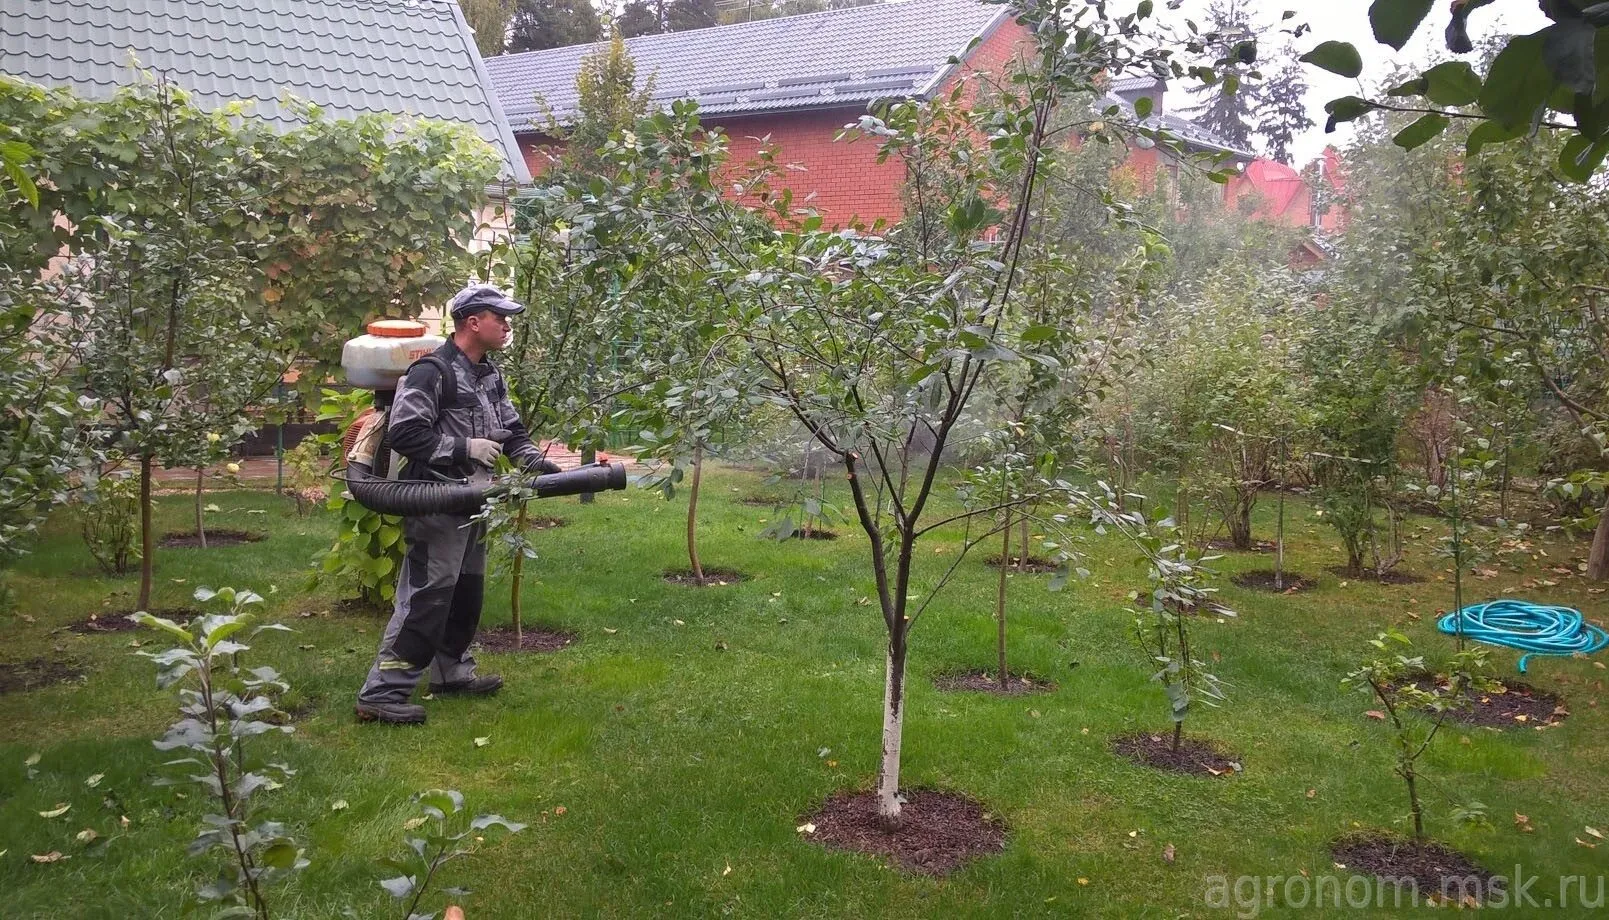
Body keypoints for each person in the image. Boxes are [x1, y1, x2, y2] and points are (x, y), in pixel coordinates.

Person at [356, 284, 564, 724]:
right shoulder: (432, 372)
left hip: (478, 502)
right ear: (473, 322)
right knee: (426, 598)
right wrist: (464, 447)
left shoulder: (489, 374)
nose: (507, 326)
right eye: (500, 317)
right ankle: (382, 693)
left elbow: (512, 430)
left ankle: (452, 673)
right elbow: (405, 434)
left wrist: (537, 464)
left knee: (465, 594)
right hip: (436, 502)